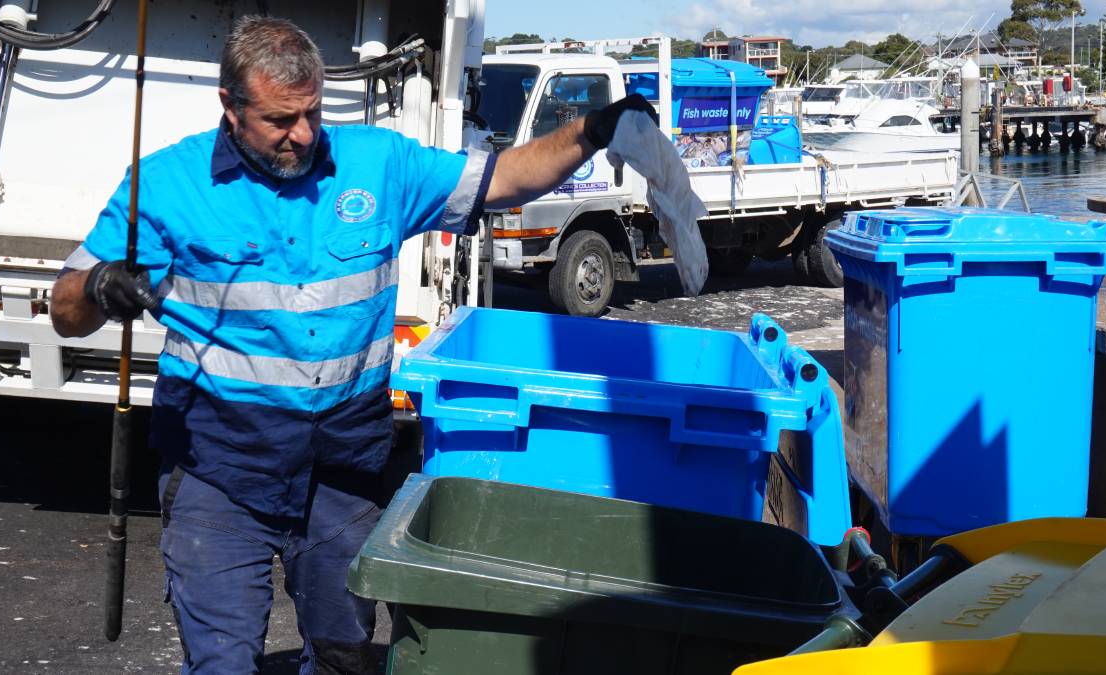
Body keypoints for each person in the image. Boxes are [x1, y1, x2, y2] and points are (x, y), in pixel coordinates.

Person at [50, 16, 655, 675]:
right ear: (230, 107)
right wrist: (103, 286)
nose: (304, 134)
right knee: (222, 662)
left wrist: (594, 130)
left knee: (344, 654)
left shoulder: (380, 163)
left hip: (343, 467)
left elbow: (506, 178)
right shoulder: (166, 183)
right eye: (282, 120)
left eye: (313, 112)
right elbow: (65, 309)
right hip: (218, 468)